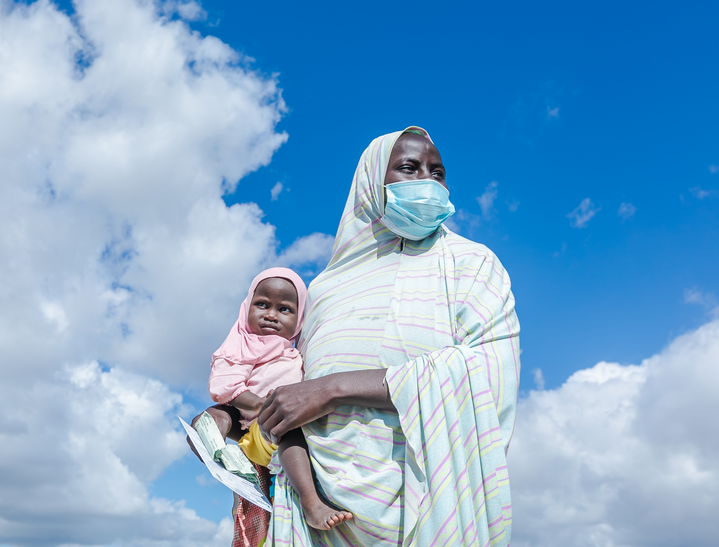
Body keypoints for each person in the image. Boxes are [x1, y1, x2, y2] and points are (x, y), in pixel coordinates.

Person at [258, 127, 520, 546]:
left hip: (428, 511)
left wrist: (333, 389)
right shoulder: (325, 289)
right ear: (371, 183)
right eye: (409, 168)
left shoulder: (471, 266)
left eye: (437, 173)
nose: (428, 183)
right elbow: (286, 388)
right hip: (318, 519)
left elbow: (489, 377)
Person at [196, 268, 352, 547]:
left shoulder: (298, 352)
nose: (271, 314)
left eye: (284, 309)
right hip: (248, 429)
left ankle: (308, 501)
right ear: (247, 307)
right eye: (262, 304)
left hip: (275, 433)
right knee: (210, 416)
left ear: (300, 318)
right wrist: (261, 404)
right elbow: (225, 386)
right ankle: (222, 458)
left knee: (290, 432)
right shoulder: (241, 343)